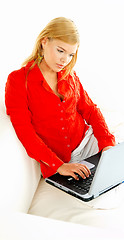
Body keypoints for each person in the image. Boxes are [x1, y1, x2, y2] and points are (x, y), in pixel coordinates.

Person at [5, 17, 116, 181]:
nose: (65, 60)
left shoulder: (69, 74)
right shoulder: (18, 80)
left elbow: (90, 110)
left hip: (87, 142)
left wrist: (107, 144)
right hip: (59, 162)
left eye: (71, 54)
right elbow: (25, 132)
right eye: (60, 51)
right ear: (44, 42)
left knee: (123, 173)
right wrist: (59, 166)